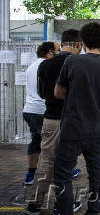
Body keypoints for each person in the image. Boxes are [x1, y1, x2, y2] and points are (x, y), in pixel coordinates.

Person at [53, 22, 100, 215]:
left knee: (62, 174)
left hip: (72, 128)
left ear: (82, 42)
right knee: (96, 173)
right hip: (97, 129)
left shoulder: (72, 62)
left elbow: (58, 92)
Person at [24, 30, 83, 215]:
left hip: (50, 118)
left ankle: (34, 204)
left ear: (62, 42)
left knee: (46, 161)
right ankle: (61, 206)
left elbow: (42, 94)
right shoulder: (78, 64)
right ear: (78, 44)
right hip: (70, 120)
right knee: (65, 163)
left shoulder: (45, 65)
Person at [23, 41, 56, 185]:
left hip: (29, 110)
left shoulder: (31, 66)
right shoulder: (46, 66)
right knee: (52, 145)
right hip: (41, 110)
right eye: (57, 51)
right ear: (49, 52)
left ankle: (30, 175)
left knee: (36, 141)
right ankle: (55, 175)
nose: (58, 54)